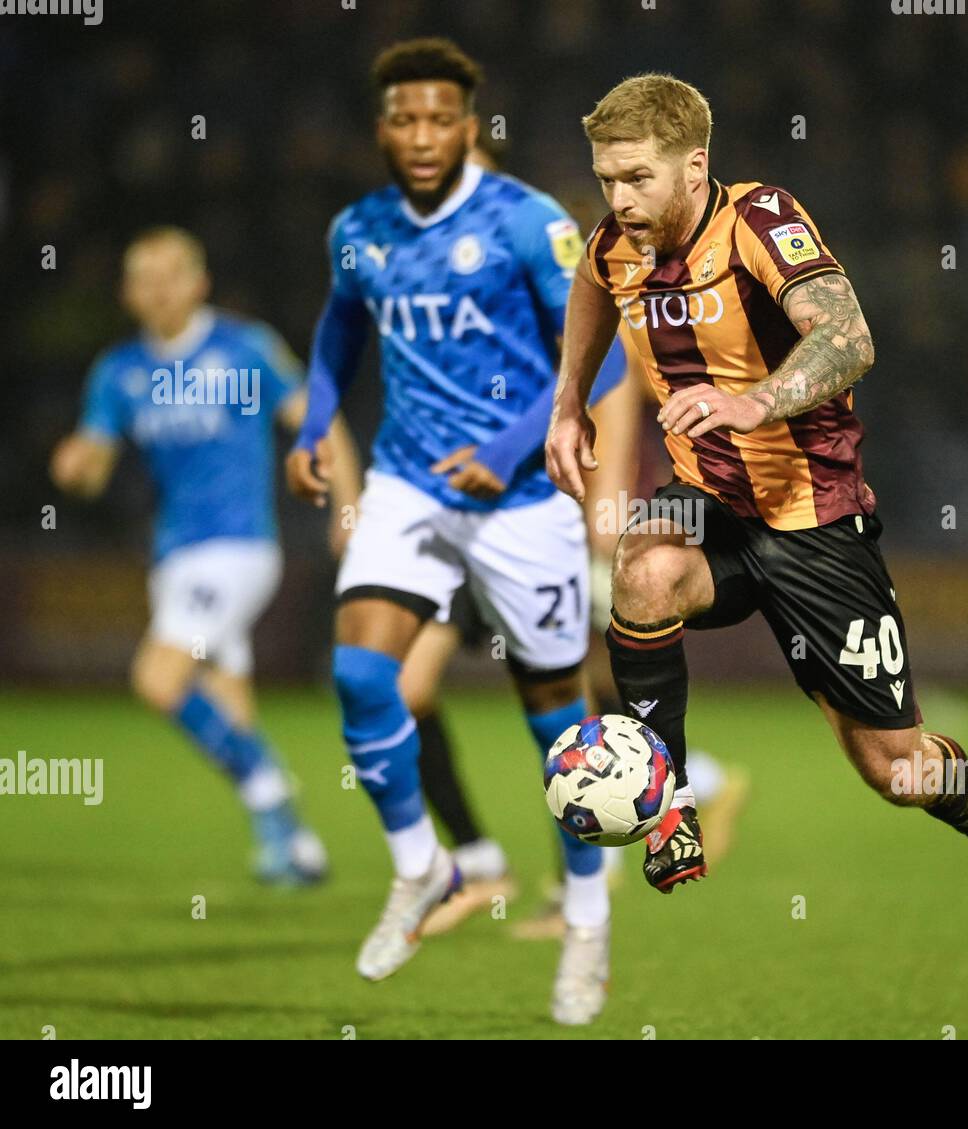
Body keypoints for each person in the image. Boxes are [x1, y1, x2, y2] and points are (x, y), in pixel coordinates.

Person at [545, 74, 968, 931]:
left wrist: (754, 402)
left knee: (896, 771)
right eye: (607, 179)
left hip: (814, 519)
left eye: (639, 178)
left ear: (695, 165)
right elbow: (593, 287)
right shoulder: (615, 245)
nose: (620, 199)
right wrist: (568, 403)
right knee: (640, 568)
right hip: (711, 501)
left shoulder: (758, 220)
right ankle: (669, 801)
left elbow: (850, 336)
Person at [284, 38, 623, 1024]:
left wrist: (514, 443)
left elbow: (596, 358)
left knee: (559, 723)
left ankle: (589, 920)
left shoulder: (527, 222)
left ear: (469, 125)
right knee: (358, 675)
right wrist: (312, 423)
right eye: (404, 118)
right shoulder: (360, 228)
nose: (423, 135)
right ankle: (420, 865)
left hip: (522, 503)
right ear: (382, 127)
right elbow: (342, 326)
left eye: (441, 118)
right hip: (406, 485)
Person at [50, 227, 356, 884]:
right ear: (128, 292)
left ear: (200, 282)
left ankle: (273, 797)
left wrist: (346, 506)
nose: (159, 288)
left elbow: (319, 418)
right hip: (174, 557)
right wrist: (75, 467)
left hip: (239, 545)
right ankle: (293, 845)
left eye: (172, 274)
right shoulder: (120, 371)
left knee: (158, 678)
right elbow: (96, 465)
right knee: (226, 700)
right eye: (144, 277)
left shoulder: (243, 350)